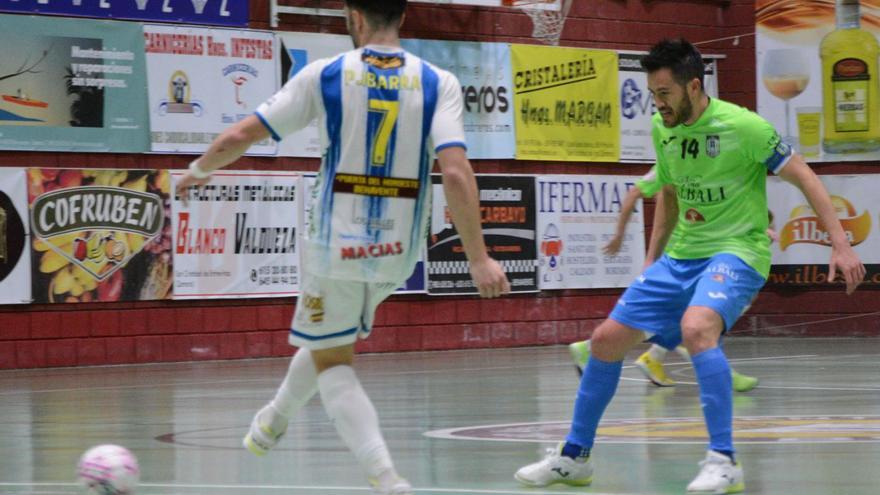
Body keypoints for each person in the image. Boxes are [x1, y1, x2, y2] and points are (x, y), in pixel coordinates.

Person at [175, 1, 510, 493]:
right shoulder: (440, 82)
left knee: (333, 358)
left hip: (337, 244)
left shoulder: (326, 75)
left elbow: (239, 135)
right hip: (399, 250)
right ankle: (271, 421)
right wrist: (478, 257)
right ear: (403, 15)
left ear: (353, 17)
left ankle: (385, 476)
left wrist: (197, 171)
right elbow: (456, 172)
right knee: (329, 334)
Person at [515, 38, 865, 494]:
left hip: (738, 251)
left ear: (694, 86)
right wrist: (650, 262)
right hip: (682, 254)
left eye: (664, 94)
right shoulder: (666, 129)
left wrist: (840, 243)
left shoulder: (746, 127)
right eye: (652, 95)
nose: (657, 104)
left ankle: (725, 461)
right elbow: (671, 195)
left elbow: (805, 177)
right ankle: (575, 457)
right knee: (604, 342)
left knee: (697, 328)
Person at [567, 167, 762, 393]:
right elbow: (657, 204)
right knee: (695, 321)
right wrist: (647, 255)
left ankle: (650, 358)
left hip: (697, 253)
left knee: (684, 322)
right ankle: (594, 349)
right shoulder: (674, 161)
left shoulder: (706, 163)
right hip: (685, 257)